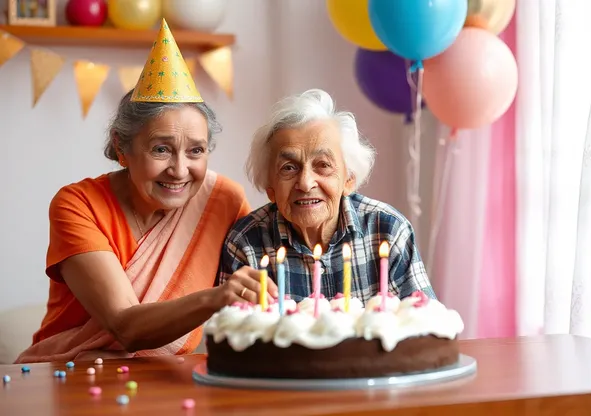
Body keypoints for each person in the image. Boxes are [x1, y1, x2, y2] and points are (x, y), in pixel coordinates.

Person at [15, 19, 272, 364]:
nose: (180, 170)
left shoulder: (223, 199)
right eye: (161, 149)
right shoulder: (77, 204)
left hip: (165, 379)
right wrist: (216, 297)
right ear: (122, 148)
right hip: (68, 376)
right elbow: (125, 327)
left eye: (196, 150)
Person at [218, 89, 435, 304]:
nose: (305, 183)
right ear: (270, 187)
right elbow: (230, 334)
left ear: (349, 179)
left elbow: (428, 324)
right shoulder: (245, 243)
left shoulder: (388, 231)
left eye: (323, 165)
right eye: (289, 167)